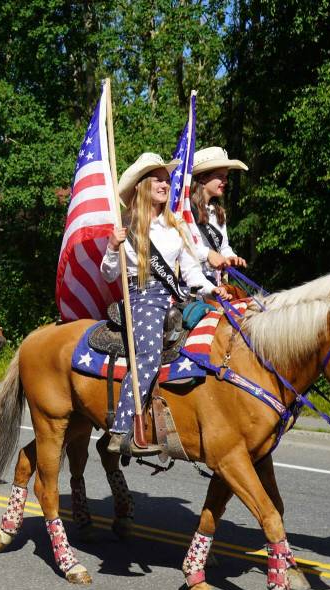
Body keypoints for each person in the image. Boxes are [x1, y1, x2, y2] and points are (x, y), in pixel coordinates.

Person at [102, 153, 233, 456]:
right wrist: (112, 247)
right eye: (157, 179)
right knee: (148, 354)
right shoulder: (126, 227)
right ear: (141, 187)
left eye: (166, 179)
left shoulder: (176, 226)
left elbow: (190, 273)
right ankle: (122, 430)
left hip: (174, 297)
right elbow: (108, 273)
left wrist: (214, 290)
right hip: (140, 297)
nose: (165, 184)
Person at [189, 147, 249, 282]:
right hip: (190, 285)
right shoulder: (185, 210)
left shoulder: (219, 212)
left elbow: (223, 247)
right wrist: (207, 255)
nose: (225, 181)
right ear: (203, 179)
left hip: (215, 283)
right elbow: (185, 247)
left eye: (226, 177)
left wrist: (230, 257)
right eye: (220, 177)